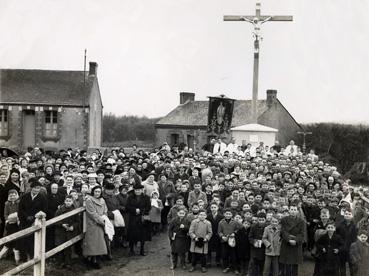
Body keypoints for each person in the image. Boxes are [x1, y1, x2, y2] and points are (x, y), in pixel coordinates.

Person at [18, 179, 47, 259]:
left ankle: (32, 256)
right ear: (31, 188)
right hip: (24, 220)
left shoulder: (42, 197)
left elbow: (44, 210)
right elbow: (21, 209)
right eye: (35, 188)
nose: (36, 190)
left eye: (38, 188)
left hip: (35, 221)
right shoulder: (25, 196)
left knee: (33, 239)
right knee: (23, 238)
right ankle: (23, 257)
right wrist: (26, 216)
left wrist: (34, 217)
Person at [83, 186, 108, 269]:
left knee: (99, 242)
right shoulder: (89, 200)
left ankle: (97, 259)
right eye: (96, 191)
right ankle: (91, 260)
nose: (97, 193)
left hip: (101, 223)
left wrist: (104, 218)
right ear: (93, 192)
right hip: (93, 223)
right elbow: (92, 213)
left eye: (99, 192)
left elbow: (105, 210)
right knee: (92, 243)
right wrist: (101, 221)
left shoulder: (102, 200)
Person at [126, 183, 151, 256]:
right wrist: (134, 210)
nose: (138, 191)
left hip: (142, 218)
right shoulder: (130, 197)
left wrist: (140, 210)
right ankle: (131, 249)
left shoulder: (146, 197)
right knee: (132, 234)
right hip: (133, 218)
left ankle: (142, 250)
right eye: (136, 190)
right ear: (134, 190)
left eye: (139, 190)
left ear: (142, 190)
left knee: (143, 234)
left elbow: (148, 207)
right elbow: (127, 206)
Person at [279, 204, 305, 276]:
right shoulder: (284, 220)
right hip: (286, 244)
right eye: (292, 209)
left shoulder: (301, 221)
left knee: (294, 266)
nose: (293, 211)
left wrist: (296, 240)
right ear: (289, 210)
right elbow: (283, 231)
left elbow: (302, 234)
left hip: (296, 245)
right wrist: (289, 239)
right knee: (286, 265)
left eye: (295, 210)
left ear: (297, 211)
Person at [54, 195, 79, 268]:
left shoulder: (74, 210)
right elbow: (55, 221)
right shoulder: (59, 210)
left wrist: (72, 227)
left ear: (72, 202)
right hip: (60, 232)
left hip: (69, 232)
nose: (68, 203)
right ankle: (60, 262)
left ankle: (68, 262)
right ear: (64, 201)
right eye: (67, 201)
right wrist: (62, 224)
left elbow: (77, 221)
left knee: (68, 248)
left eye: (70, 201)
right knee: (60, 247)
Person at [218, 209, 242, 274]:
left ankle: (235, 268)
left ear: (232, 215)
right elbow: (219, 232)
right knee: (224, 255)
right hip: (224, 241)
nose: (228, 215)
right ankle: (226, 267)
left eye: (229, 214)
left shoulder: (235, 222)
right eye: (227, 214)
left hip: (232, 241)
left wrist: (234, 233)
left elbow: (238, 229)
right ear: (224, 214)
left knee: (233, 255)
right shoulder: (221, 222)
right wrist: (222, 236)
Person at [0, 189, 20, 264]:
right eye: (11, 196)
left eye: (14, 195)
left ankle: (17, 260)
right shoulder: (7, 204)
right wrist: (7, 220)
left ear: (16, 195)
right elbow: (5, 214)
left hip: (17, 224)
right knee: (8, 241)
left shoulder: (19, 203)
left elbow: (20, 212)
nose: (12, 197)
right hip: (10, 224)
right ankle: (3, 255)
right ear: (9, 196)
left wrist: (17, 218)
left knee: (16, 242)